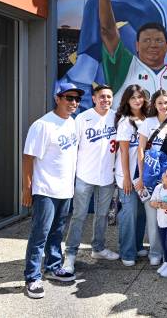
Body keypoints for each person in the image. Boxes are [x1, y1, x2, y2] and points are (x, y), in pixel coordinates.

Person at [22, 83, 83, 299]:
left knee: (57, 232)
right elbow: (28, 157)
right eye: (69, 98)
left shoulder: (72, 122)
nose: (74, 102)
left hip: (65, 189)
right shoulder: (42, 125)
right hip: (45, 189)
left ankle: (53, 266)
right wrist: (27, 189)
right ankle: (32, 277)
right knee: (40, 234)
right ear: (57, 98)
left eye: (77, 99)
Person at [63, 84, 120, 273]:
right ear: (94, 98)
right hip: (84, 175)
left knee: (102, 215)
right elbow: (73, 147)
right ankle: (70, 254)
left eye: (109, 97)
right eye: (102, 96)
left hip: (107, 176)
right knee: (79, 215)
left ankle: (98, 248)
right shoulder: (82, 118)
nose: (105, 100)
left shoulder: (117, 118)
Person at [137, 90, 167, 266]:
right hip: (151, 174)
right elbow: (141, 149)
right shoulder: (148, 122)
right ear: (154, 105)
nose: (163, 106)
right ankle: (155, 251)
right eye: (160, 103)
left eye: (166, 102)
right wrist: (141, 176)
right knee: (152, 215)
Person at [114, 84, 150, 266]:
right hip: (127, 175)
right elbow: (124, 153)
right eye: (133, 97)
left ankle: (137, 245)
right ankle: (127, 252)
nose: (137, 100)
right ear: (127, 101)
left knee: (141, 212)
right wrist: (127, 178)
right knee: (129, 213)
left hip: (143, 175)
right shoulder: (125, 122)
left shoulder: (147, 119)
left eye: (140, 97)